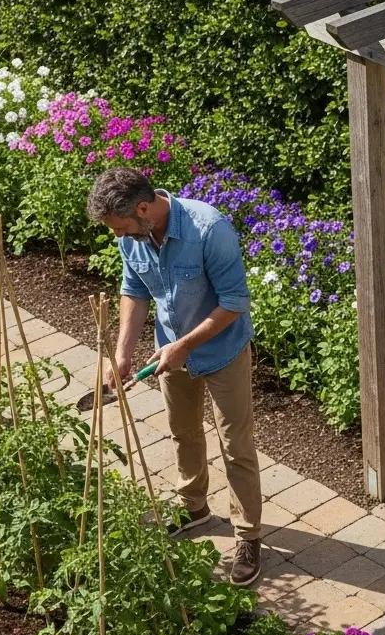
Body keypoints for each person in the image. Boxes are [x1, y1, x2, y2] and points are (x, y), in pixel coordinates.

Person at [86, 167, 263, 586]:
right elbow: (135, 290)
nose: (118, 236)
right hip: (171, 354)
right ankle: (193, 506)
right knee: (183, 431)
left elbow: (235, 302)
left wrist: (185, 345)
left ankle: (248, 535)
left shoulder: (208, 229)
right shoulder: (136, 236)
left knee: (235, 445)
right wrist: (122, 355)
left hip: (221, 351)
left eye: (121, 227)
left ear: (144, 208)